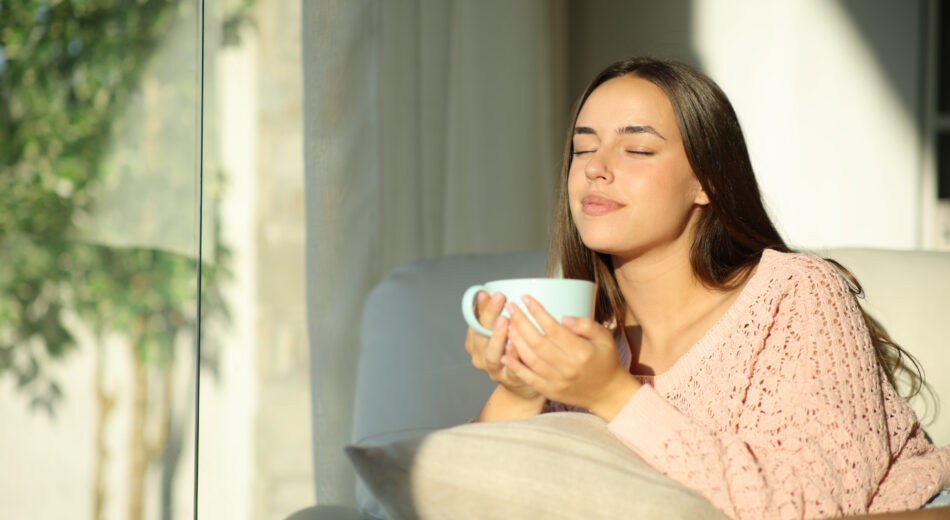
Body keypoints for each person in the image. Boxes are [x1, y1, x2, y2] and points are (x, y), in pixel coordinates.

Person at [463, 57, 950, 518]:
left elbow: (813, 506)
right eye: (583, 148)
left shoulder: (794, 293)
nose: (595, 167)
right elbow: (463, 501)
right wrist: (518, 389)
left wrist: (612, 395)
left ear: (708, 182)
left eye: (636, 149)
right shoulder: (583, 345)